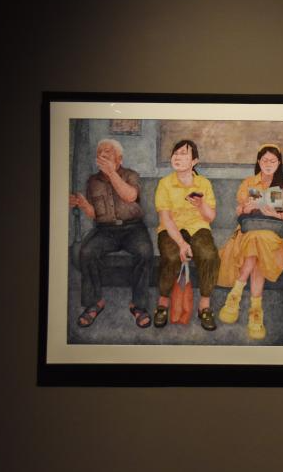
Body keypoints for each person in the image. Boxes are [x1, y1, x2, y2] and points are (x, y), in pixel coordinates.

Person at [69, 138, 155, 328]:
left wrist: (112, 173)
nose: (103, 154)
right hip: (105, 230)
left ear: (119, 158)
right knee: (86, 252)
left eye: (108, 151)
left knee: (145, 252)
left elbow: (130, 196)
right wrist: (83, 204)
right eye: (100, 152)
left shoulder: (131, 175)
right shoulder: (93, 181)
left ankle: (138, 306)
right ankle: (94, 303)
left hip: (133, 228)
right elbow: (95, 214)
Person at [216, 143, 283, 340]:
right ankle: (256, 310)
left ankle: (236, 293)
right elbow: (239, 211)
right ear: (259, 162)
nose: (268, 164)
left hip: (272, 234)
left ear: (279, 164)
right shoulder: (249, 182)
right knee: (255, 240)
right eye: (265, 160)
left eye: (273, 161)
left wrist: (276, 214)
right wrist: (247, 207)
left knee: (258, 241)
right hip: (250, 229)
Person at [153, 139, 220, 331]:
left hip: (198, 227)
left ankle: (204, 305)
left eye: (184, 154)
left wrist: (200, 204)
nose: (178, 157)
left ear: (194, 161)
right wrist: (182, 244)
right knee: (171, 256)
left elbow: (210, 217)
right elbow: (165, 218)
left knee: (209, 255)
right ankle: (163, 302)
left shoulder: (203, 183)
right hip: (171, 228)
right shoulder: (165, 183)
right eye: (175, 153)